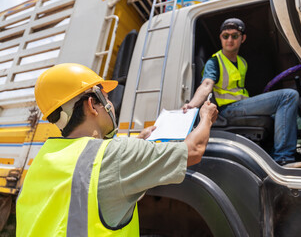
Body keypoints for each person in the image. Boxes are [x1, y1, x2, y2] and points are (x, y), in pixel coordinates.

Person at [16, 63, 218, 236]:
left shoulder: (42, 159)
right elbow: (193, 150)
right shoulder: (117, 154)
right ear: (92, 105)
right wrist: (206, 116)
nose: (111, 105)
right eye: (106, 98)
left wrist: (137, 140)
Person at [183, 18, 301, 168]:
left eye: (235, 36)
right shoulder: (215, 61)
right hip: (227, 110)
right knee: (288, 96)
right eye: (225, 36)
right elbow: (206, 84)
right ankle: (283, 159)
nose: (230, 39)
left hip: (240, 106)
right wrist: (191, 105)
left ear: (243, 38)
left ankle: (272, 155)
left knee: (280, 110)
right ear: (220, 38)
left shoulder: (242, 62)